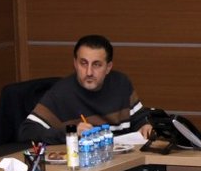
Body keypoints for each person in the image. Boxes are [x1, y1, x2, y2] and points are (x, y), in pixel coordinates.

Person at [19, 35, 154, 144]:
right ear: (75, 64)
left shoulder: (121, 83)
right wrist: (71, 132)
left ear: (108, 67)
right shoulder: (61, 93)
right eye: (83, 63)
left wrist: (145, 126)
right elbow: (26, 131)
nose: (89, 72)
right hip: (83, 162)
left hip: (122, 161)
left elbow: (139, 119)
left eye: (96, 65)